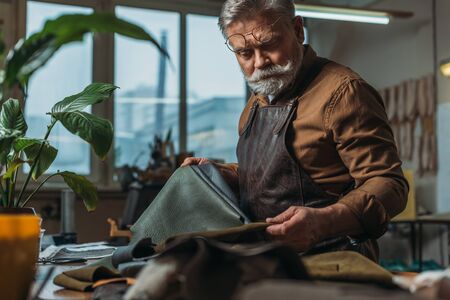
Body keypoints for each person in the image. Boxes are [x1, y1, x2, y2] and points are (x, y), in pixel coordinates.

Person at [182, 0, 408, 261]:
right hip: (265, 261)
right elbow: (272, 177)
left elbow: (390, 184)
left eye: (269, 44)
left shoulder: (345, 93)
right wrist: (224, 174)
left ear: (298, 30)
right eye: (245, 53)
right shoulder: (256, 103)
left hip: (332, 263)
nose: (259, 62)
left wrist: (323, 222)